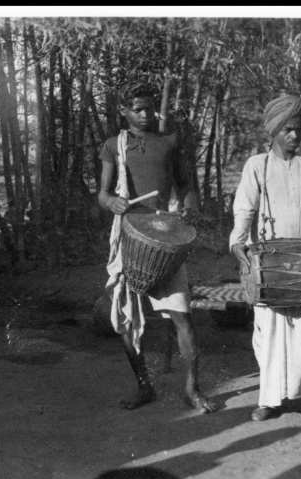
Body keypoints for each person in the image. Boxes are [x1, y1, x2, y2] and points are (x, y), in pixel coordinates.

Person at [98, 86, 216, 414]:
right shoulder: (113, 146)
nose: (146, 115)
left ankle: (192, 389)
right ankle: (144, 386)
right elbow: (102, 194)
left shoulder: (170, 142)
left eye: (150, 109)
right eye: (138, 109)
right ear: (124, 110)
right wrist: (113, 202)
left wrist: (191, 205)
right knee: (126, 316)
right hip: (131, 238)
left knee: (183, 318)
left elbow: (186, 185)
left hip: (166, 237)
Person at [229, 95, 301, 423]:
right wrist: (238, 242)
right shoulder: (257, 165)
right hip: (271, 265)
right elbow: (244, 208)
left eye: (299, 130)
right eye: (288, 130)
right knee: (269, 335)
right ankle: (270, 400)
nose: (295, 136)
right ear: (274, 131)